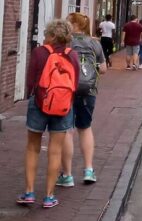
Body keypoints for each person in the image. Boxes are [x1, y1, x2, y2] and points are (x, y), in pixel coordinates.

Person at [18, 19, 79, 209]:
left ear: (52, 36)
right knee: (55, 151)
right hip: (63, 106)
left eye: (46, 34)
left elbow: (31, 82)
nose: (44, 37)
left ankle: (29, 192)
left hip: (39, 103)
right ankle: (49, 196)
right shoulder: (73, 55)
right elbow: (75, 83)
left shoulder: (39, 52)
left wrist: (36, 97)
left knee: (33, 147)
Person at [57, 13, 107, 188]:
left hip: (67, 90)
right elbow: (103, 69)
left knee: (67, 130)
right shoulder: (95, 43)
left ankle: (67, 175)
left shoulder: (65, 43)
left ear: (73, 25)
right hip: (89, 91)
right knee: (85, 128)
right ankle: (88, 170)